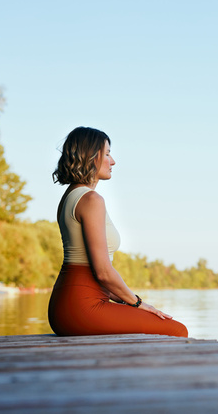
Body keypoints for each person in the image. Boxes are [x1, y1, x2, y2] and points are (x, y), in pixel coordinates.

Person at [48, 126, 188, 337]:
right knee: (177, 331)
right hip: (81, 308)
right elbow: (103, 272)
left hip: (66, 305)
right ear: (90, 156)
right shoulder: (91, 200)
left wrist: (130, 302)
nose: (112, 161)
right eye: (107, 153)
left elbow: (96, 273)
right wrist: (138, 303)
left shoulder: (70, 197)